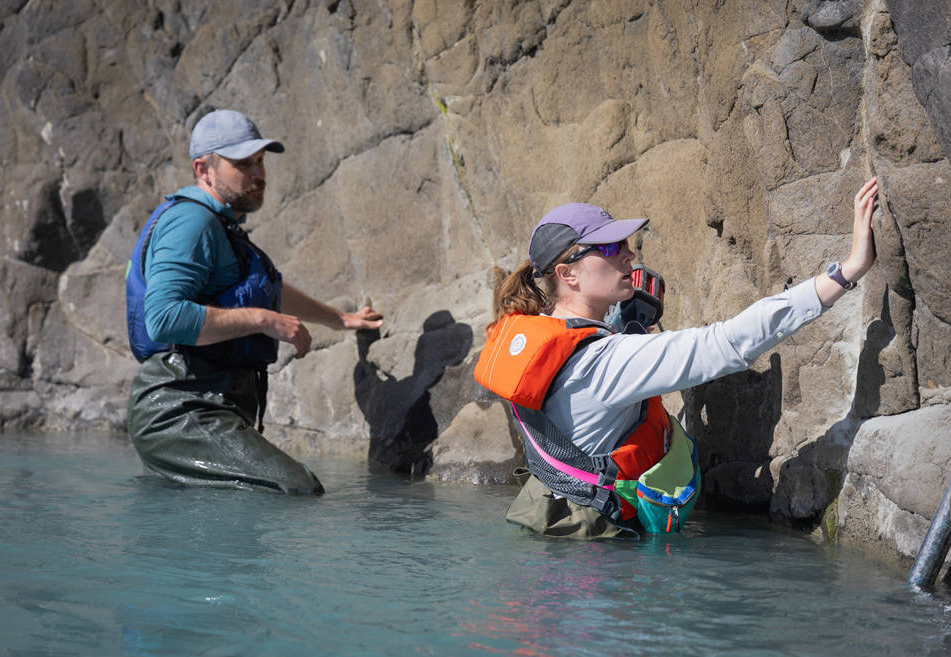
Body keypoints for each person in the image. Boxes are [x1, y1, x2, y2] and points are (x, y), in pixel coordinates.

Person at [476, 179, 879, 538]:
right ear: (568, 274)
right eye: (612, 247)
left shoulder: (541, 332)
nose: (629, 255)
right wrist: (847, 271)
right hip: (604, 564)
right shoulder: (605, 362)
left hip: (563, 535)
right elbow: (726, 343)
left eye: (627, 244)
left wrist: (624, 326)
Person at [126, 109, 383, 494]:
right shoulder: (191, 223)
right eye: (243, 164)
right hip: (181, 409)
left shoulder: (221, 225)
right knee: (296, 489)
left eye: (261, 161)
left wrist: (341, 319)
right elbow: (162, 318)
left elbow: (270, 288)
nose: (259, 174)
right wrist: (265, 320)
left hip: (203, 405)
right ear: (203, 169)